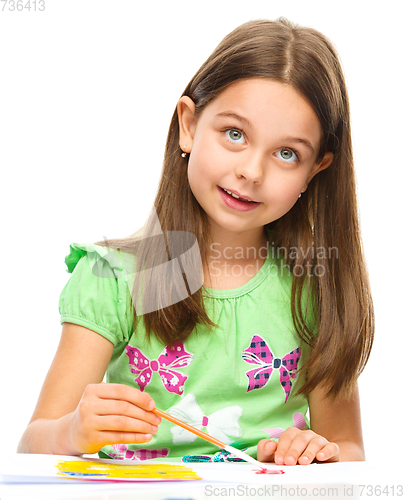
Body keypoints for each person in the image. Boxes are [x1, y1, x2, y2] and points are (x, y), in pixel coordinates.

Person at [18, 17, 374, 466]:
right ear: (189, 125)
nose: (251, 171)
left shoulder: (313, 288)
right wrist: (71, 431)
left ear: (315, 169)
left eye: (287, 153)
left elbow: (349, 448)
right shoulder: (112, 279)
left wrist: (319, 452)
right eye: (235, 134)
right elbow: (32, 446)